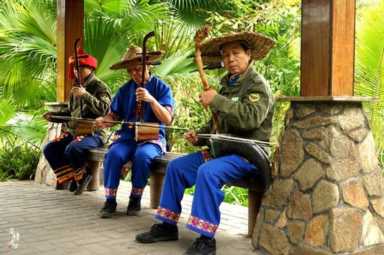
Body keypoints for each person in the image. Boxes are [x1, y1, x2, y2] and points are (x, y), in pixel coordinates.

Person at [135, 31, 275, 255]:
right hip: (222, 151)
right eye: (226, 55)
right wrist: (199, 136)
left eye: (236, 53)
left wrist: (216, 99)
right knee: (177, 167)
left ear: (249, 54)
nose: (230, 59)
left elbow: (250, 119)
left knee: (207, 172)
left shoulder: (257, 85)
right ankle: (167, 226)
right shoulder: (227, 84)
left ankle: (206, 240)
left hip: (247, 155)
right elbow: (216, 122)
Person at [95, 46, 174, 218]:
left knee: (143, 156)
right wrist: (104, 121)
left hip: (151, 136)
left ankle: (135, 198)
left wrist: (151, 100)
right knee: (114, 154)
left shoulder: (162, 88)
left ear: (148, 66)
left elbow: (167, 119)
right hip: (128, 136)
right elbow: (114, 115)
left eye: (138, 69)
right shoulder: (125, 90)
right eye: (130, 71)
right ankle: (110, 201)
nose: (135, 74)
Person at [43, 48, 112, 195]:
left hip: (94, 133)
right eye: (75, 68)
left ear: (90, 68)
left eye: (81, 68)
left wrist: (86, 95)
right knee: (50, 148)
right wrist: (53, 116)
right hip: (75, 131)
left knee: (72, 148)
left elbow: (105, 111)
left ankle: (82, 176)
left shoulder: (100, 87)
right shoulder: (75, 88)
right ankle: (77, 178)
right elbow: (70, 112)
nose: (77, 71)